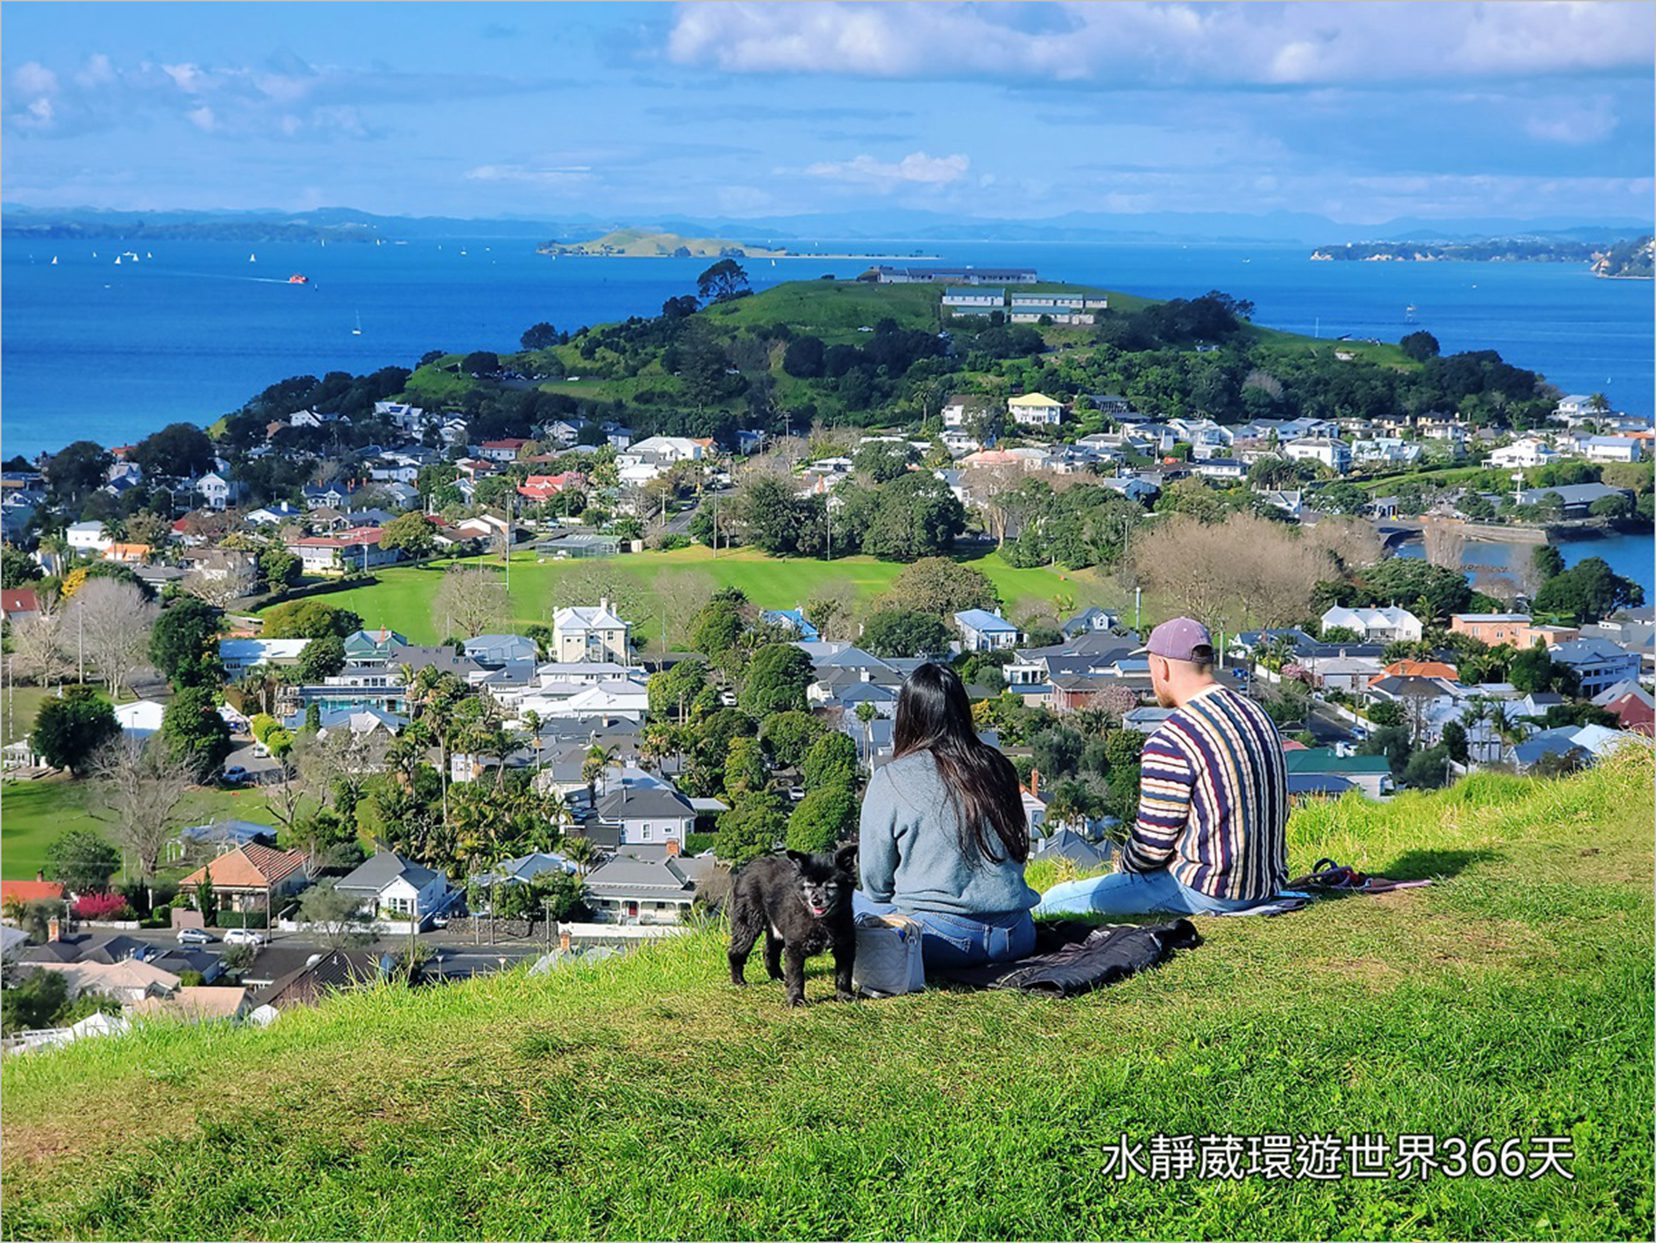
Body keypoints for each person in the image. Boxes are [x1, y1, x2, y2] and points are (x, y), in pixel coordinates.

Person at [1036, 617, 1288, 918]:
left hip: (1208, 892)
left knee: (1053, 900)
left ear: (1163, 667)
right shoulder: (1258, 715)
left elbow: (1151, 846)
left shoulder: (1173, 737)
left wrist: (1124, 869)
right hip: (1266, 885)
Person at [857, 662, 1040, 968]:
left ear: (908, 715)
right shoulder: (998, 766)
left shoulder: (891, 778)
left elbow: (875, 884)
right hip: (1018, 935)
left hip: (939, 940)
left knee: (841, 901)